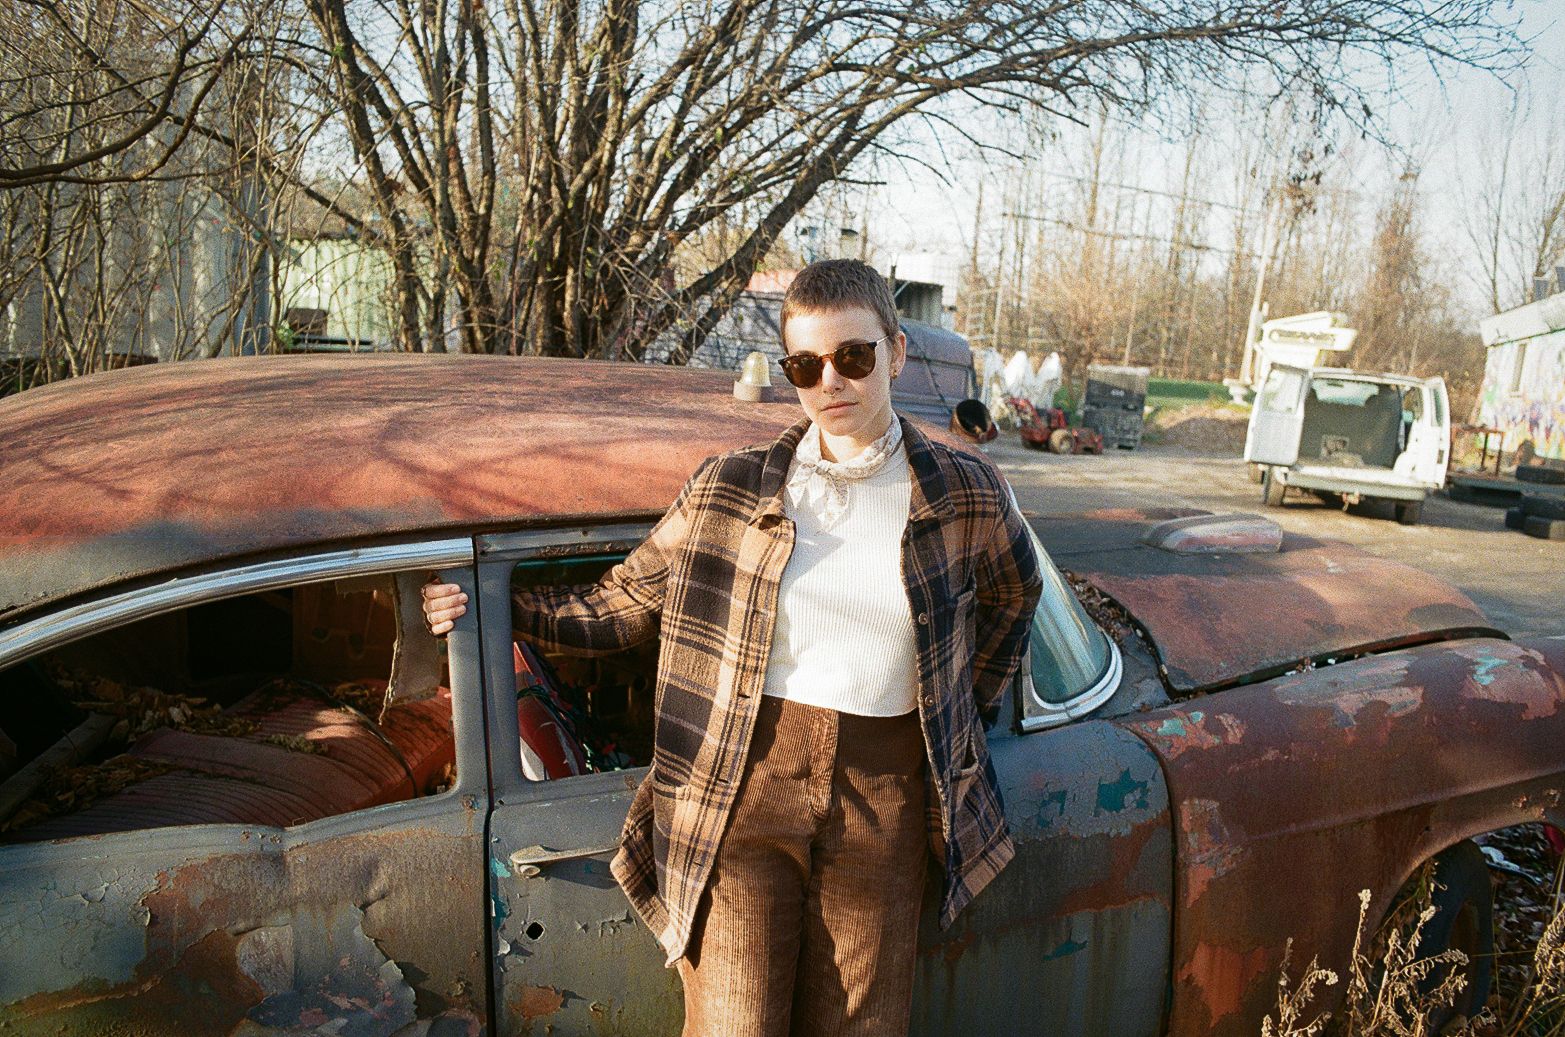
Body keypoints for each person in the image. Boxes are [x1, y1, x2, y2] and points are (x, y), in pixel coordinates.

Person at [422, 259, 1042, 1037]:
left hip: (885, 791)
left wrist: (963, 712)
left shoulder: (963, 491)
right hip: (742, 785)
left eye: (854, 356)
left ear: (895, 349)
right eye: (805, 365)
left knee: (863, 1024)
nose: (831, 381)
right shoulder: (729, 488)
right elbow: (619, 605)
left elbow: (1016, 595)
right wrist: (484, 607)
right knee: (733, 1024)